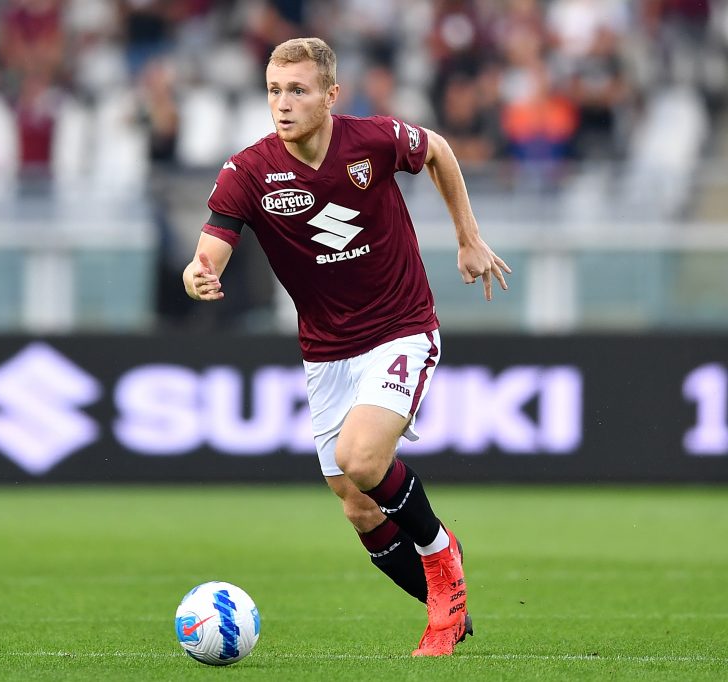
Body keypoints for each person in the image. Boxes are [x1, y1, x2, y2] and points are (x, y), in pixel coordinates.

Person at [182, 37, 510, 657]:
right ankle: (448, 604)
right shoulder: (248, 171)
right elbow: (211, 247)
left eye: (298, 90)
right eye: (275, 90)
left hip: (400, 326)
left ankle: (442, 561)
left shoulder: (373, 141)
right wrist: (198, 274)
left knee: (363, 459)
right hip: (326, 351)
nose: (283, 103)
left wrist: (468, 238)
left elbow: (438, 150)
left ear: (331, 96)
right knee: (359, 507)